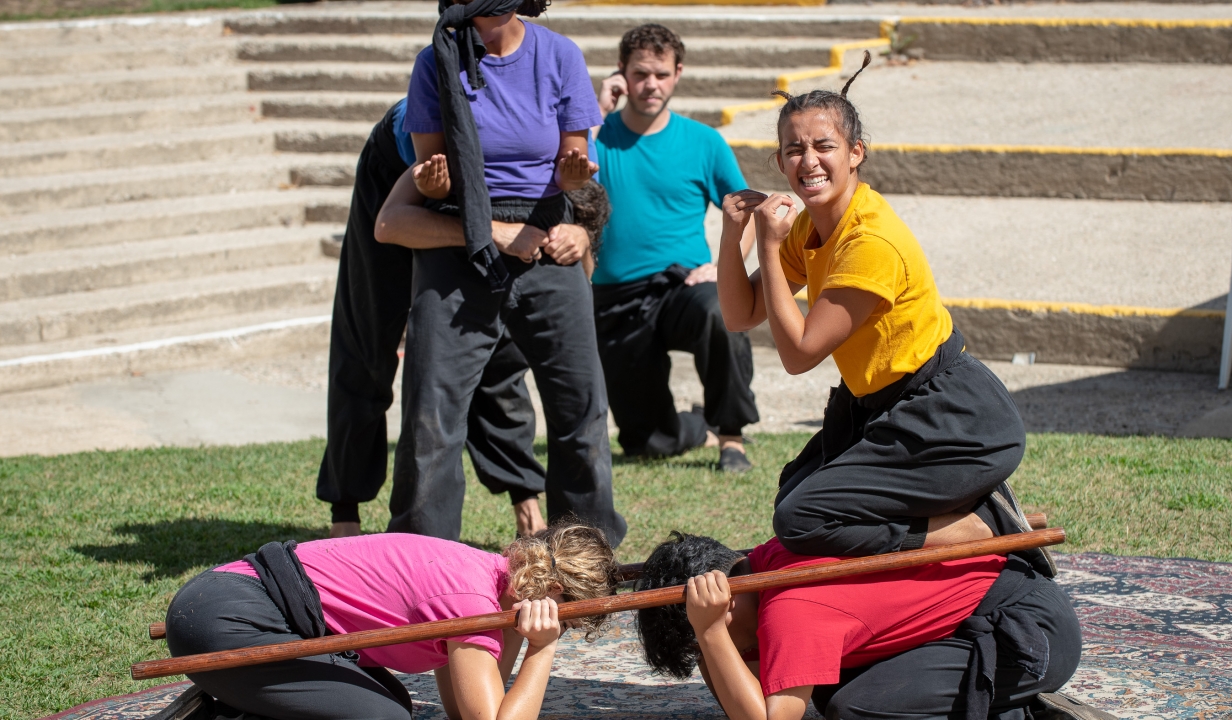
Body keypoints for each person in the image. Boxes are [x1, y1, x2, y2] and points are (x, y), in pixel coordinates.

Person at [716, 56, 1052, 577]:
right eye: (794, 149)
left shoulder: (869, 240)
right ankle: (955, 518)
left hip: (953, 421)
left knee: (802, 518)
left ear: (856, 153)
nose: (809, 161)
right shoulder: (810, 228)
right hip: (881, 407)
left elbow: (799, 354)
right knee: (797, 489)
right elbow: (741, 315)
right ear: (779, 162)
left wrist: (765, 239)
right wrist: (731, 236)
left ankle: (981, 526)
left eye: (824, 146)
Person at [375, 0, 626, 546]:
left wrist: (572, 173)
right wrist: (441, 186)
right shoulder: (433, 61)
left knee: (580, 407)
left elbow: (572, 163)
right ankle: (421, 556)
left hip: (544, 233)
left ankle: (583, 551)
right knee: (431, 416)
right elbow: (431, 176)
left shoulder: (558, 54)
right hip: (460, 236)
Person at [314, 98, 600, 540]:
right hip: (407, 172)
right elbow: (391, 224)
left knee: (501, 346)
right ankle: (344, 511)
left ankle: (525, 499)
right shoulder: (459, 139)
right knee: (369, 334)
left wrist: (580, 239)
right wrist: (493, 233)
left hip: (490, 195)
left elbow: (582, 267)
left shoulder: (572, 158)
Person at [163, 521, 619, 720]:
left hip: (224, 599)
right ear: (554, 596)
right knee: (379, 717)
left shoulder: (484, 574)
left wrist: (519, 634)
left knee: (392, 704)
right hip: (225, 620)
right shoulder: (471, 601)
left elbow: (465, 711)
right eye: (570, 621)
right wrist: (544, 647)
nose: (567, 630)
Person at [634, 531, 1081, 720]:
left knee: (855, 707)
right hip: (980, 620)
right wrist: (711, 635)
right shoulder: (759, 564)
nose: (713, 654)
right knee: (820, 686)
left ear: (724, 604)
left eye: (709, 638)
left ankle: (1017, 711)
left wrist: (710, 632)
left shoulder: (790, 610)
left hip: (1031, 634)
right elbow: (744, 679)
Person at [592, 24, 760, 471]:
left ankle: (731, 439)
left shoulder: (704, 142)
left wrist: (726, 267)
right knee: (647, 444)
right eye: (640, 74)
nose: (651, 85)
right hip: (615, 299)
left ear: (678, 73)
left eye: (662, 74)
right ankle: (694, 426)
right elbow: (560, 175)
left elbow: (745, 213)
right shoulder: (595, 136)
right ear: (621, 75)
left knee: (719, 310)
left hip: (684, 286)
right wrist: (593, 112)